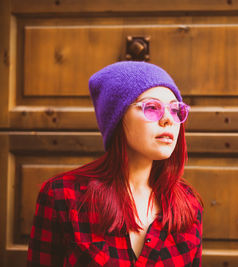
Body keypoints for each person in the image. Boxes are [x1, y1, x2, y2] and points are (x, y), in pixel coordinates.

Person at [27, 61, 203, 266]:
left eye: (175, 110)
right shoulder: (62, 196)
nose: (168, 120)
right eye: (152, 107)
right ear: (117, 118)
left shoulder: (188, 205)